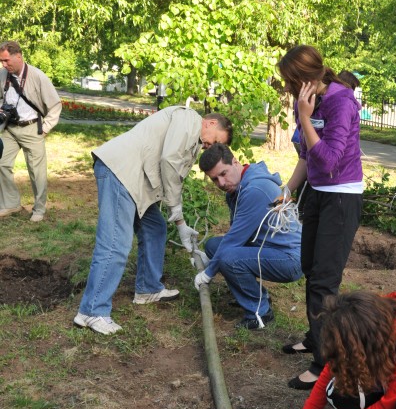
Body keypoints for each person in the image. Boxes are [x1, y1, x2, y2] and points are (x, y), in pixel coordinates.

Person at [74, 108, 232, 335]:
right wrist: (176, 210)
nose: (210, 147)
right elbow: (169, 161)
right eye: (215, 140)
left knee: (155, 227)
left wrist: (180, 225)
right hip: (122, 173)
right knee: (115, 244)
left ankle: (148, 289)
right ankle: (92, 311)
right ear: (211, 123)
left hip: (134, 180)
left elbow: (171, 170)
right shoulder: (189, 119)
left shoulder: (194, 137)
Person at [277, 45, 363, 389]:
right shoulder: (310, 102)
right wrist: (289, 189)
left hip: (341, 199)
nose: (286, 89)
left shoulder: (341, 101)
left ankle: (324, 363)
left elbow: (328, 160)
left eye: (288, 82)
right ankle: (317, 337)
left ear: (304, 79)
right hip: (316, 193)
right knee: (310, 269)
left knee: (325, 282)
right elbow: (305, 155)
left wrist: (303, 114)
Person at [194, 144, 303, 329]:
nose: (221, 183)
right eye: (214, 179)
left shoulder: (255, 190)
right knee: (213, 246)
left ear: (235, 162)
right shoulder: (240, 184)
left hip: (290, 259)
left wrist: (208, 273)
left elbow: (233, 242)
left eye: (223, 173)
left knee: (228, 257)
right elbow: (235, 237)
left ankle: (259, 313)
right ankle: (256, 295)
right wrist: (210, 260)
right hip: (269, 247)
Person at [0, 40, 62, 222]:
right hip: (9, 129)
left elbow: (55, 104)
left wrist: (46, 128)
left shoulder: (37, 76)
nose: (4, 65)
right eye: (1, 61)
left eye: (6, 61)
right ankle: (11, 203)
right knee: (1, 164)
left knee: (37, 172)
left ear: (18, 56)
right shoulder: (3, 74)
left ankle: (39, 209)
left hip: (32, 128)